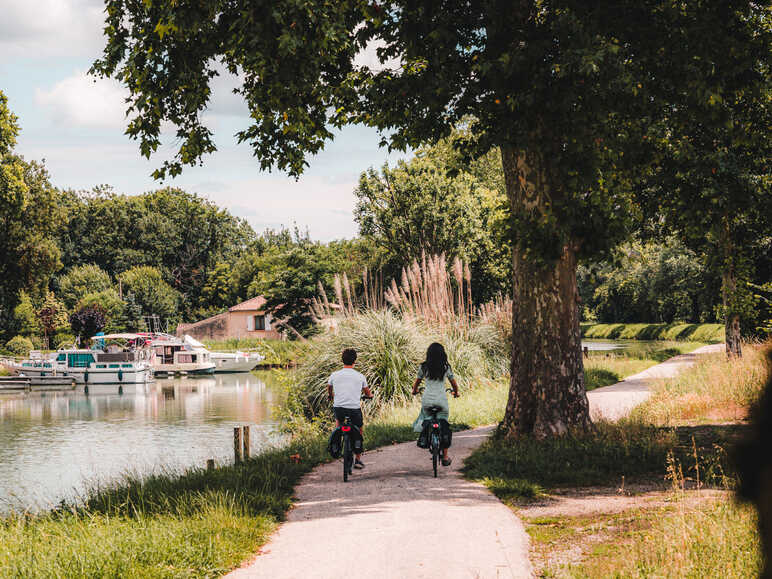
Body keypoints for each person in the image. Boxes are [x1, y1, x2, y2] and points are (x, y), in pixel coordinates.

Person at [411, 342, 459, 466]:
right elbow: (454, 384)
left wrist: (414, 390)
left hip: (427, 400)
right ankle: (445, 456)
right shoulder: (446, 367)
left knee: (426, 419)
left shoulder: (424, 367)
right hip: (441, 400)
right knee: (443, 423)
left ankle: (426, 439)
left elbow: (416, 383)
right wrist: (456, 392)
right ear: (443, 355)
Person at [327, 348, 373, 469]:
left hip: (339, 408)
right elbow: (368, 393)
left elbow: (329, 388)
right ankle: (357, 459)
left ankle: (336, 444)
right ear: (355, 361)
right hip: (354, 409)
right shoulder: (360, 376)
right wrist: (370, 396)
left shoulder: (334, 375)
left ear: (342, 360)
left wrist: (330, 395)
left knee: (338, 423)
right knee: (359, 429)